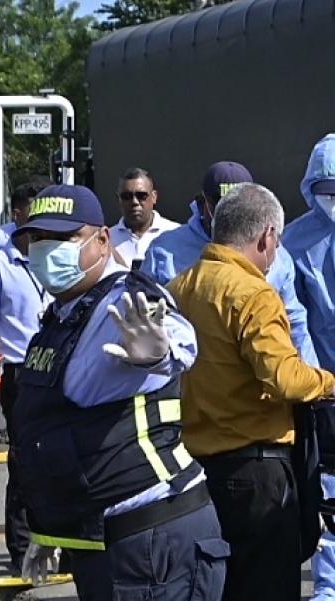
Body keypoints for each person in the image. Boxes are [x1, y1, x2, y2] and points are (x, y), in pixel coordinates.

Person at [13, 185, 225, 601]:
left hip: (153, 539)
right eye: (37, 239)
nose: (45, 250)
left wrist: (157, 355)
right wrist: (50, 530)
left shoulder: (124, 300)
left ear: (102, 240)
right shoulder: (62, 314)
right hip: (102, 535)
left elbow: (176, 338)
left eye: (63, 239)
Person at [169, 182, 335, 601]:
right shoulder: (253, 292)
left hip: (199, 466)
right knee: (268, 584)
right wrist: (329, 381)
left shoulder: (182, 285)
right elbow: (284, 378)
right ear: (267, 237)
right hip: (256, 469)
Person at [141, 161, 318, 365]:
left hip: (258, 380)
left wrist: (312, 377)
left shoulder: (276, 253)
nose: (232, 217)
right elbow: (149, 321)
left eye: (241, 209)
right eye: (222, 207)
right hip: (194, 380)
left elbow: (294, 321)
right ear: (201, 204)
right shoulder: (165, 251)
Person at [0, 196, 53, 570]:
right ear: (19, 216)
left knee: (59, 460)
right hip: (19, 372)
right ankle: (21, 552)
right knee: (23, 463)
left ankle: (58, 545)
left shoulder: (55, 258)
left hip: (58, 367)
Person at [282, 133, 335, 601]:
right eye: (328, 189)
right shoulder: (295, 241)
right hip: (326, 390)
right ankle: (330, 588)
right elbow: (293, 322)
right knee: (331, 494)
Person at [109, 167, 179, 269]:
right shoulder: (107, 240)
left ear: (154, 197)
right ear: (118, 199)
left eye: (141, 196)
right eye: (127, 196)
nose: (134, 202)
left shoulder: (174, 233)